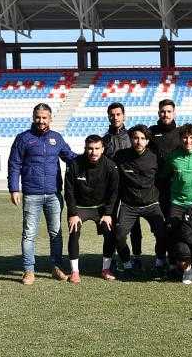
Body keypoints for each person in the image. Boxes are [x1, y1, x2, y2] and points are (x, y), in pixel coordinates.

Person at [7, 103, 76, 285]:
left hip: (54, 194)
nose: (41, 121)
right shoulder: (23, 138)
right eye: (38, 117)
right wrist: (14, 188)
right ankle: (29, 271)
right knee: (29, 234)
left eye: (44, 117)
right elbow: (14, 164)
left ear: (50, 119)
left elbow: (70, 157)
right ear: (33, 117)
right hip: (31, 195)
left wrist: (93, 158)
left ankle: (56, 268)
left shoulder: (56, 138)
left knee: (56, 233)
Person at [112, 124, 166, 279]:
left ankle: (160, 262)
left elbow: (163, 178)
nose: (139, 141)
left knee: (162, 234)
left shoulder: (155, 157)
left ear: (147, 141)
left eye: (143, 138)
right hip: (129, 205)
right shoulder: (121, 156)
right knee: (119, 235)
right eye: (135, 138)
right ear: (131, 139)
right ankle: (128, 264)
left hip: (151, 204)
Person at [64, 134, 120, 283]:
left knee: (109, 232)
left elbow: (114, 192)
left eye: (97, 148)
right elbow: (68, 192)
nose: (93, 152)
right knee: (74, 231)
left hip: (101, 208)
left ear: (102, 149)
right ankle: (74, 271)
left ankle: (106, 268)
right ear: (85, 148)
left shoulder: (110, 166)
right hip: (80, 208)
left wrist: (108, 213)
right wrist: (73, 213)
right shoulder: (75, 165)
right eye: (90, 148)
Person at [158, 123, 192, 270]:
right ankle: (173, 260)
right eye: (185, 138)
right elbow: (163, 175)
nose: (188, 141)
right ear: (180, 139)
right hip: (177, 203)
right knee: (172, 230)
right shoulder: (173, 157)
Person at [102, 101, 142, 271]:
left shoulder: (132, 136)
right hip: (112, 188)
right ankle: (115, 258)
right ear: (108, 116)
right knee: (111, 224)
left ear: (124, 116)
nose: (115, 117)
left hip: (130, 187)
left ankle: (137, 256)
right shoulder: (104, 139)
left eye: (118, 114)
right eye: (112, 114)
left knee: (135, 225)